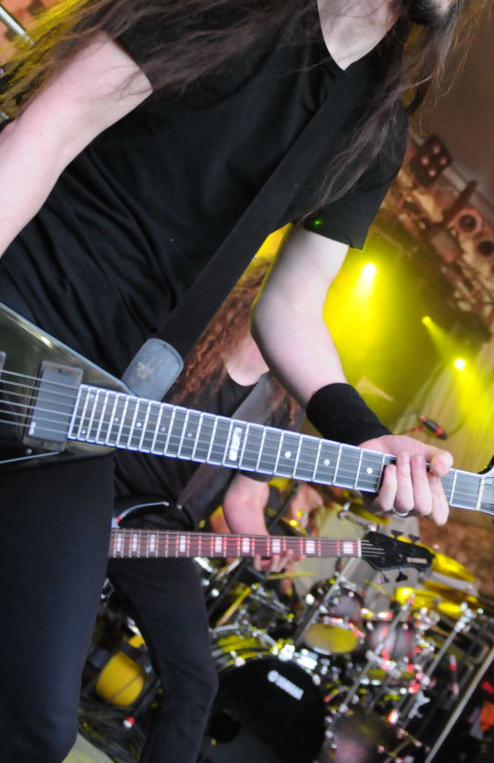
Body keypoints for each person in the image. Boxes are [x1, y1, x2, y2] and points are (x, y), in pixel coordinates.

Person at [0, 0, 494, 761]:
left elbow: (291, 308)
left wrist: (365, 435)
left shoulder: (373, 128)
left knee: (33, 722)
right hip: (16, 305)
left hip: (89, 400)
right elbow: (45, 133)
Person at [107, 256, 300, 763]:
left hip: (159, 526)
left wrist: (263, 546)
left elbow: (245, 498)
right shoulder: (190, 333)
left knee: (197, 683)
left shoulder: (280, 404)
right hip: (95, 481)